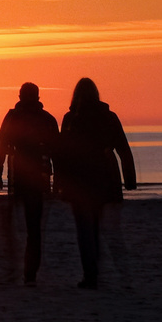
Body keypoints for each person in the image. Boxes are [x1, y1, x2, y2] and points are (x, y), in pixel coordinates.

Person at [54, 78, 136, 289]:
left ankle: (91, 274)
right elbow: (123, 149)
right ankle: (94, 271)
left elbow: (63, 154)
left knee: (85, 228)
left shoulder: (71, 118)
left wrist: (59, 182)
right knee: (95, 225)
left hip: (80, 178)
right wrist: (129, 180)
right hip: (103, 177)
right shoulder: (107, 117)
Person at [0, 82, 59, 284]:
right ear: (38, 97)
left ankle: (22, 271)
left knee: (16, 225)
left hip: (19, 176)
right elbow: (58, 152)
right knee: (33, 228)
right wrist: (60, 179)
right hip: (38, 177)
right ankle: (29, 273)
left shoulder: (14, 117)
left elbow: (1, 144)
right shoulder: (46, 119)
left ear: (20, 96)